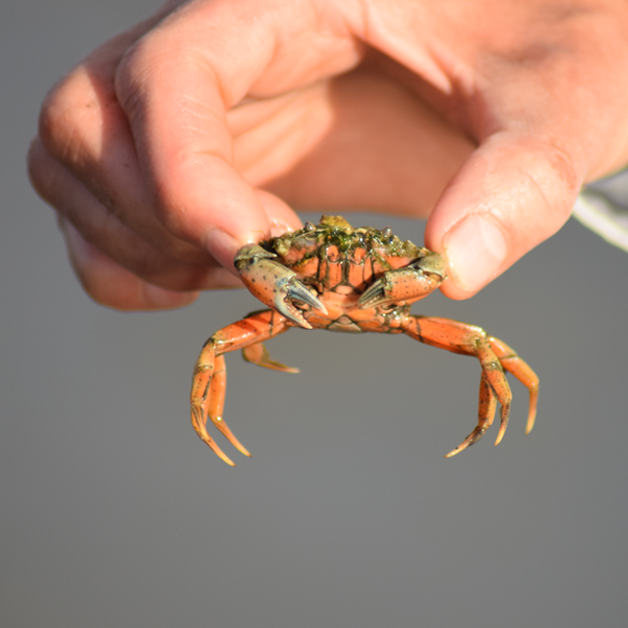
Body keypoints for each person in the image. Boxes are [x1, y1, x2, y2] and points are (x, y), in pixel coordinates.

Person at [27, 0, 628, 311]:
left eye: (365, 260)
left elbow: (481, 334)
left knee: (494, 354)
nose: (348, 264)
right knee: (218, 343)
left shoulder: (396, 271)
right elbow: (224, 343)